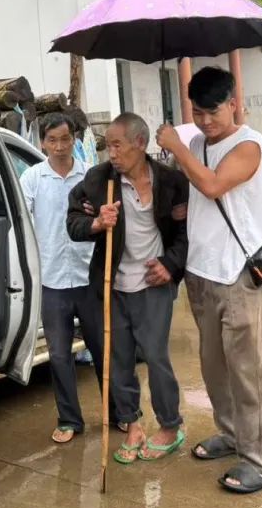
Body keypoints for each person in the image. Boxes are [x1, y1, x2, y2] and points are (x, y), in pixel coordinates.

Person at [156, 67, 262, 495]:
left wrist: (176, 146)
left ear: (233, 104)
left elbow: (211, 185)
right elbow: (201, 193)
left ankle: (259, 458)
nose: (205, 121)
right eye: (198, 113)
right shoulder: (196, 144)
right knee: (213, 367)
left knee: (247, 370)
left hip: (237, 273)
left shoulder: (250, 145)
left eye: (213, 111)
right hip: (201, 271)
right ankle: (230, 434)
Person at [67, 112, 189, 465]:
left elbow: (186, 233)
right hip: (113, 285)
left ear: (140, 143)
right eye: (108, 146)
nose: (113, 154)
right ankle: (132, 425)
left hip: (153, 284)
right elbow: (73, 223)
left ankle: (170, 426)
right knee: (118, 360)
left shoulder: (171, 181)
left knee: (155, 356)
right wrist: (96, 223)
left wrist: (170, 264)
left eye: (118, 145)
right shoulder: (98, 180)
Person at [20, 113, 105, 444]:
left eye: (65, 139)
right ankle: (69, 419)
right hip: (52, 279)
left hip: (89, 276)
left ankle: (118, 413)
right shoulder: (32, 178)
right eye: (52, 140)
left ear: (74, 139)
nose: (59, 146)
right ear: (42, 143)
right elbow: (22, 221)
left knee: (103, 348)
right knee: (59, 354)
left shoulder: (91, 176)